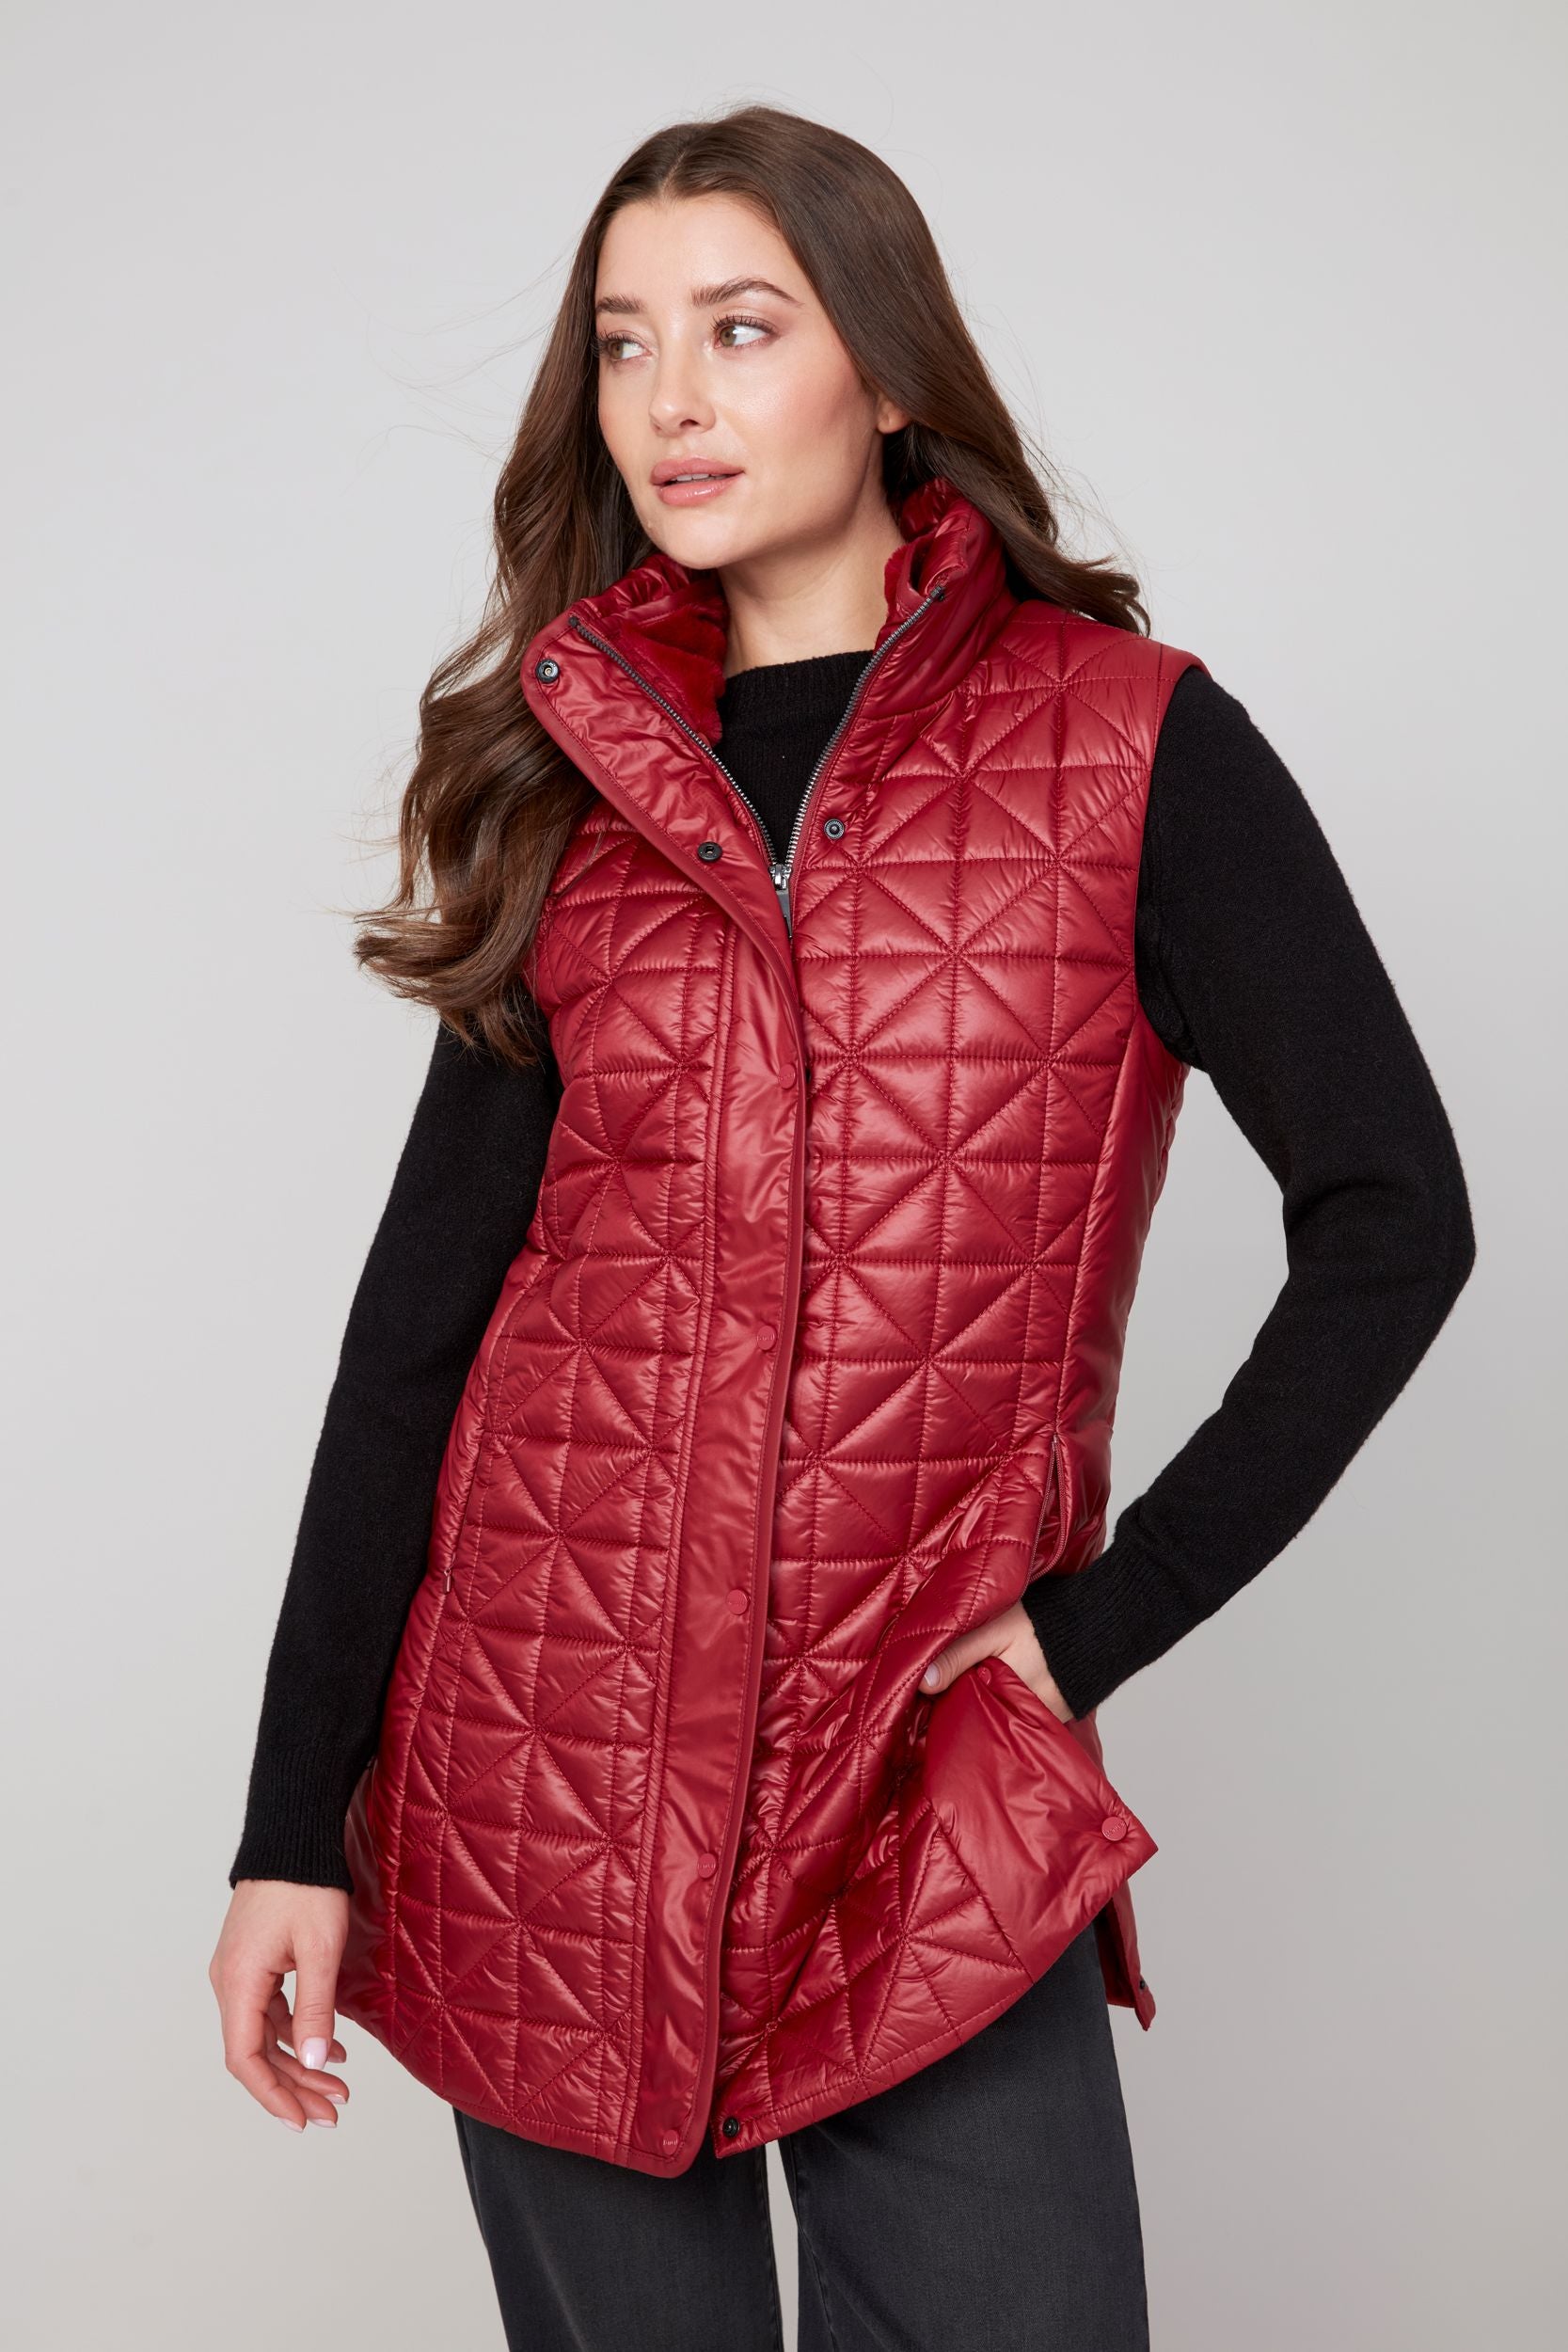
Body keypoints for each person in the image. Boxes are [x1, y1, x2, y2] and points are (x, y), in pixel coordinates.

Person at [209, 103, 1475, 2352]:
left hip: (919, 1808)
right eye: (624, 342)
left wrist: (1089, 1631)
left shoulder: (1131, 750)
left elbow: (1397, 1220)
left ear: (884, 368)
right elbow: (416, 1338)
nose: (670, 400)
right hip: (545, 1794)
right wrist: (289, 1822)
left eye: (740, 327)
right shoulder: (570, 781)